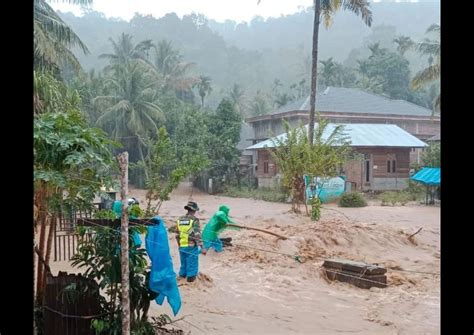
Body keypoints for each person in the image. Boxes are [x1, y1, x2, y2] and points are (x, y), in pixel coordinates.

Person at [176, 201, 204, 282]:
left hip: (182, 246)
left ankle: (181, 279)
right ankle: (190, 282)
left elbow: (177, 235)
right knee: (192, 267)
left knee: (183, 266)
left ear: (187, 209)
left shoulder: (180, 219)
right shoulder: (194, 220)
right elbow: (197, 235)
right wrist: (202, 247)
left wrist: (179, 246)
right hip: (191, 247)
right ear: (194, 210)